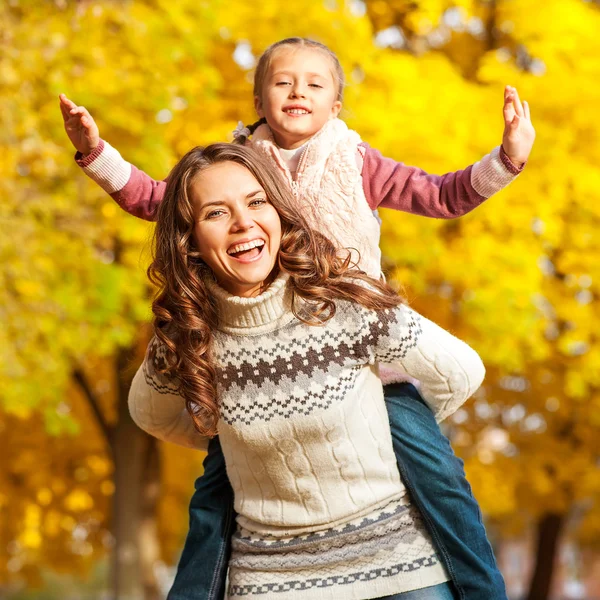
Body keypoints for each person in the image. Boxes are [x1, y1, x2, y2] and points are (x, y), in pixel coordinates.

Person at [59, 37, 535, 599]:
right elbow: (157, 201)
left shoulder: (358, 163)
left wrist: (506, 159)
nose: (298, 92)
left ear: (337, 104)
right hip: (251, 340)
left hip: (370, 360)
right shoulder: (236, 167)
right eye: (283, 82)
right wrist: (97, 154)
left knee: (439, 478)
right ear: (259, 97)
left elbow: (440, 195)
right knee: (216, 493)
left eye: (315, 84)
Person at [131, 141, 487, 600]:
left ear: (279, 211)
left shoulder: (343, 302)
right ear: (190, 240)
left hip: (400, 566)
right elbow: (150, 413)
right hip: (269, 579)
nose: (244, 222)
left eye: (257, 202)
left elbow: (461, 371)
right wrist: (230, 436)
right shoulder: (187, 334)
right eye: (216, 213)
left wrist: (386, 420)